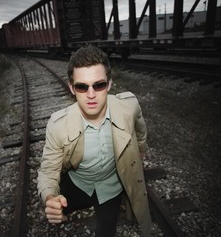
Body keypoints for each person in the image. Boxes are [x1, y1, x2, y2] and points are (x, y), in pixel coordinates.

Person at [37, 45, 152, 237]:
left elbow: (140, 130)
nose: (91, 95)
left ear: (109, 84)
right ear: (72, 88)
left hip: (110, 187)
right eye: (82, 87)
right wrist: (50, 197)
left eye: (98, 85)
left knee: (106, 232)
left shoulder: (128, 106)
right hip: (77, 184)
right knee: (57, 209)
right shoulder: (58, 125)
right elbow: (48, 170)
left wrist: (140, 149)